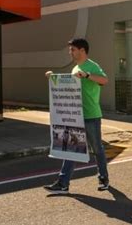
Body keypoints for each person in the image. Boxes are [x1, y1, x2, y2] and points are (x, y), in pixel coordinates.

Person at [44, 38, 109, 194]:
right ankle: (63, 183)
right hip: (75, 116)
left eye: (72, 49)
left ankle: (103, 178)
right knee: (71, 149)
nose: (70, 52)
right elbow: (69, 85)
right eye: (70, 49)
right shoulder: (75, 68)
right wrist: (53, 78)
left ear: (82, 50)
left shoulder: (92, 66)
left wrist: (87, 75)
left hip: (91, 115)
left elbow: (104, 80)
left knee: (97, 149)